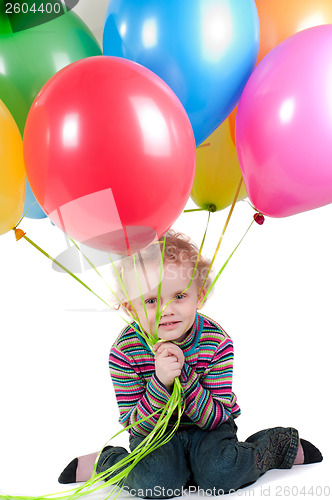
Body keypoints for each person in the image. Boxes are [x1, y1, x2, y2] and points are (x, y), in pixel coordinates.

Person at [58, 230, 322, 497]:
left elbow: (217, 416)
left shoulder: (216, 342)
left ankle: (277, 447)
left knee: (221, 475)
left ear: (200, 294)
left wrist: (182, 375)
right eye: (150, 301)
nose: (167, 310)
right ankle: (107, 463)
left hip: (206, 428)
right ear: (130, 308)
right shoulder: (124, 352)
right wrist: (160, 382)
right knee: (155, 484)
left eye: (179, 296)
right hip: (155, 433)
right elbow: (135, 424)